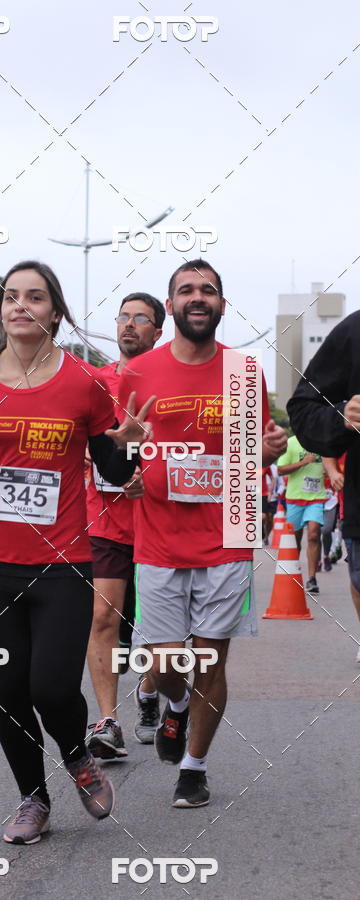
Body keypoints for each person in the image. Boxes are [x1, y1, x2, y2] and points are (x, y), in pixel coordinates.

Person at [0, 261, 152, 844]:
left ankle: (79, 756)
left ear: (55, 310)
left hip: (63, 561)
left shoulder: (83, 381)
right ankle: (33, 798)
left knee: (51, 687)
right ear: (0, 310)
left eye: (35, 296)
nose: (20, 305)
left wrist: (129, 446)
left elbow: (110, 466)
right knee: (8, 692)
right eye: (11, 297)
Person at [118, 260, 287, 808]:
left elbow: (257, 445)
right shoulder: (137, 372)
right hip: (160, 536)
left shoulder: (242, 372)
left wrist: (269, 449)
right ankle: (172, 707)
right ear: (170, 306)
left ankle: (194, 767)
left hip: (227, 532)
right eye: (186, 290)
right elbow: (116, 453)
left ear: (221, 305)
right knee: (165, 665)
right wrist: (128, 472)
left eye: (207, 290)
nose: (197, 297)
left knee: (210, 659)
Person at [85, 292, 165, 760]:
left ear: (159, 332)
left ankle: (150, 692)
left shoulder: (172, 382)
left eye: (142, 319)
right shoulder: (95, 381)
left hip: (159, 522)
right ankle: (108, 720)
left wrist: (145, 474)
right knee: (103, 618)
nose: (130, 325)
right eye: (124, 318)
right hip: (105, 517)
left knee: (157, 632)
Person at [287, 310, 360, 662]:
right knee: (313, 533)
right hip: (328, 500)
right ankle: (310, 573)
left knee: (317, 532)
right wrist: (342, 416)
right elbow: (303, 408)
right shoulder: (355, 331)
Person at [277, 435, 326, 594]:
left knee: (313, 534)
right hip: (294, 498)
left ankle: (312, 579)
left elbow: (331, 464)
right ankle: (293, 573)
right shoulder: (291, 442)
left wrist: (329, 471)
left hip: (316, 498)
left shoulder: (322, 441)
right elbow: (280, 469)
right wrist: (304, 462)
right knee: (295, 540)